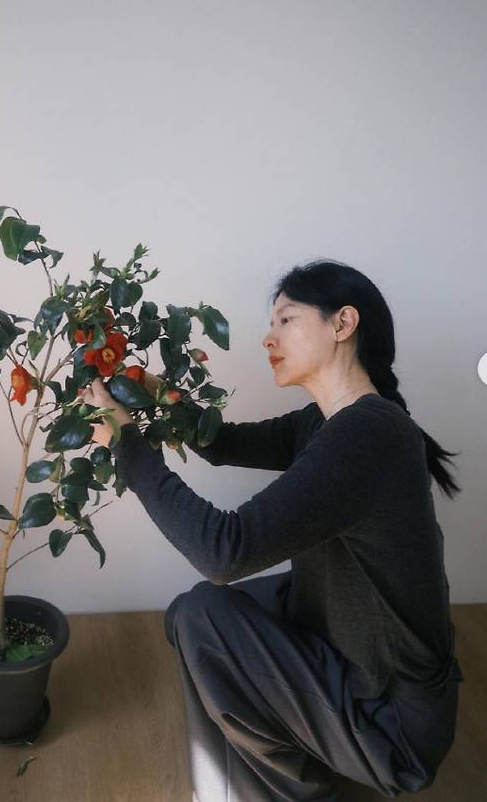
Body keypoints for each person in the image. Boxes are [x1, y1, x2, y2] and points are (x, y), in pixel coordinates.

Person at [78, 259, 464, 801]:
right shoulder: (330, 421)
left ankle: (287, 788)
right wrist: (158, 394)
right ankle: (283, 755)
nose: (268, 337)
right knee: (187, 619)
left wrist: (127, 446)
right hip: (352, 653)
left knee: (201, 616)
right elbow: (223, 443)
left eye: (286, 319)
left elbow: (224, 552)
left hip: (393, 722)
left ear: (342, 323)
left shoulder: (368, 435)